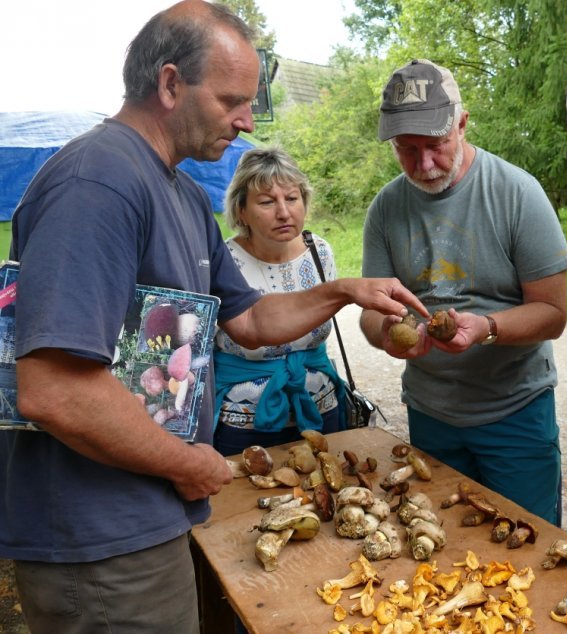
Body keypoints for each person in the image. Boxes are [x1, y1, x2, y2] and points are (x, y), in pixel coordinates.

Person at [0, 3, 426, 632]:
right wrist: (186, 460)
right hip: (100, 542)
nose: (247, 120)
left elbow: (249, 321)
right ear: (170, 84)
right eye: (232, 100)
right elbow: (53, 389)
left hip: (147, 516)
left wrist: (346, 291)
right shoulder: (99, 183)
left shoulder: (180, 192)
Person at [359, 59, 567, 526]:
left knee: (527, 544)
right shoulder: (386, 208)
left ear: (462, 122)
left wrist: (488, 329)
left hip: (515, 414)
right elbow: (371, 315)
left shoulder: (518, 192)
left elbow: (554, 313)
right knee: (446, 547)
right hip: (431, 414)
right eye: (406, 150)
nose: (424, 164)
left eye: (435, 145)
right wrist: (390, 336)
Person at [213, 147, 347, 457]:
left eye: (291, 198)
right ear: (241, 210)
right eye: (266, 202)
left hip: (321, 410)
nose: (284, 212)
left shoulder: (319, 251)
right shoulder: (222, 261)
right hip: (243, 426)